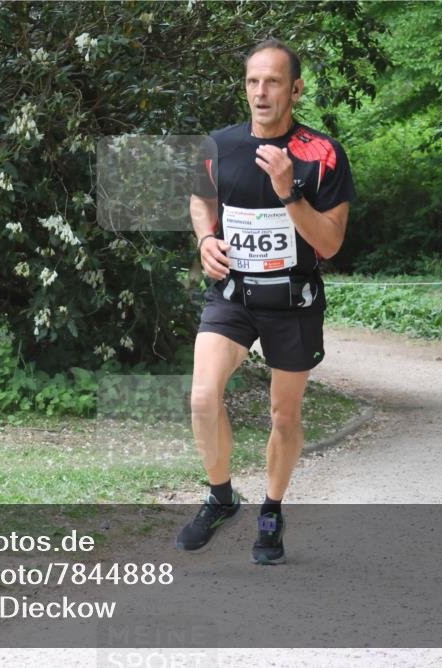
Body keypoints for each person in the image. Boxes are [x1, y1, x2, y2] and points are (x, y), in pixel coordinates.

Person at [175, 38, 355, 564]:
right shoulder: (219, 145)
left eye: (273, 81)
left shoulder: (323, 155)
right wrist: (206, 239)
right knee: (203, 396)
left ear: (295, 89)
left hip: (293, 301)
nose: (261, 91)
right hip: (232, 295)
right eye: (253, 81)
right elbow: (200, 197)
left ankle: (272, 509)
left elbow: (330, 243)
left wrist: (288, 190)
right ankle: (221, 496)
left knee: (284, 415)